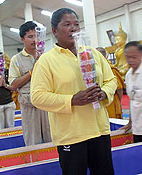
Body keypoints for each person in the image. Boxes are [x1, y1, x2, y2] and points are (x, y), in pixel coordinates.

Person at [30, 8, 117, 175]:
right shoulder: (46, 61)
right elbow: (38, 96)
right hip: (71, 135)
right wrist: (71, 100)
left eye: (76, 24)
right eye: (67, 24)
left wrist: (104, 93)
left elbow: (111, 79)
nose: (73, 28)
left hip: (99, 130)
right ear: (55, 31)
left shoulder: (93, 54)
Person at [9, 21, 52, 146]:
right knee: (33, 141)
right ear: (22, 39)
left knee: (52, 139)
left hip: (48, 103)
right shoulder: (16, 59)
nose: (35, 40)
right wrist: (32, 71)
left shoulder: (47, 56)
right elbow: (13, 84)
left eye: (37, 36)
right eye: (30, 37)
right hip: (29, 104)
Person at [97, 47, 125, 119]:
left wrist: (118, 102)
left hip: (112, 102)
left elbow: (119, 89)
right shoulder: (93, 70)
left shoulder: (112, 69)